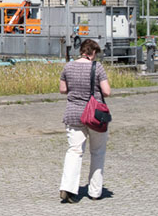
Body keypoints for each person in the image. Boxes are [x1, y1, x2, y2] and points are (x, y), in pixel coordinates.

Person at [59, 39, 111, 203]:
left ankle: (68, 188)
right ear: (93, 52)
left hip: (74, 114)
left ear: (82, 51)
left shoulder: (68, 67)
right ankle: (95, 192)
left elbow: (63, 90)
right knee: (97, 152)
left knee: (74, 151)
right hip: (95, 116)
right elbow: (107, 92)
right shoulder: (98, 68)